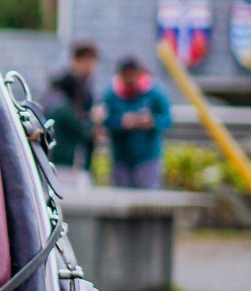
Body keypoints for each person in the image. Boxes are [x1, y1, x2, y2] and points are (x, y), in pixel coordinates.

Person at [103, 55, 172, 189]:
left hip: (148, 158)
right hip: (121, 158)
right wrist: (121, 122)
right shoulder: (112, 95)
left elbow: (167, 119)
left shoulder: (154, 93)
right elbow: (104, 120)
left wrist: (152, 122)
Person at [44, 40, 104, 177]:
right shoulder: (67, 86)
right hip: (64, 157)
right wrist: (92, 120)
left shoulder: (84, 86)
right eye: (90, 62)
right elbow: (77, 123)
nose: (92, 67)